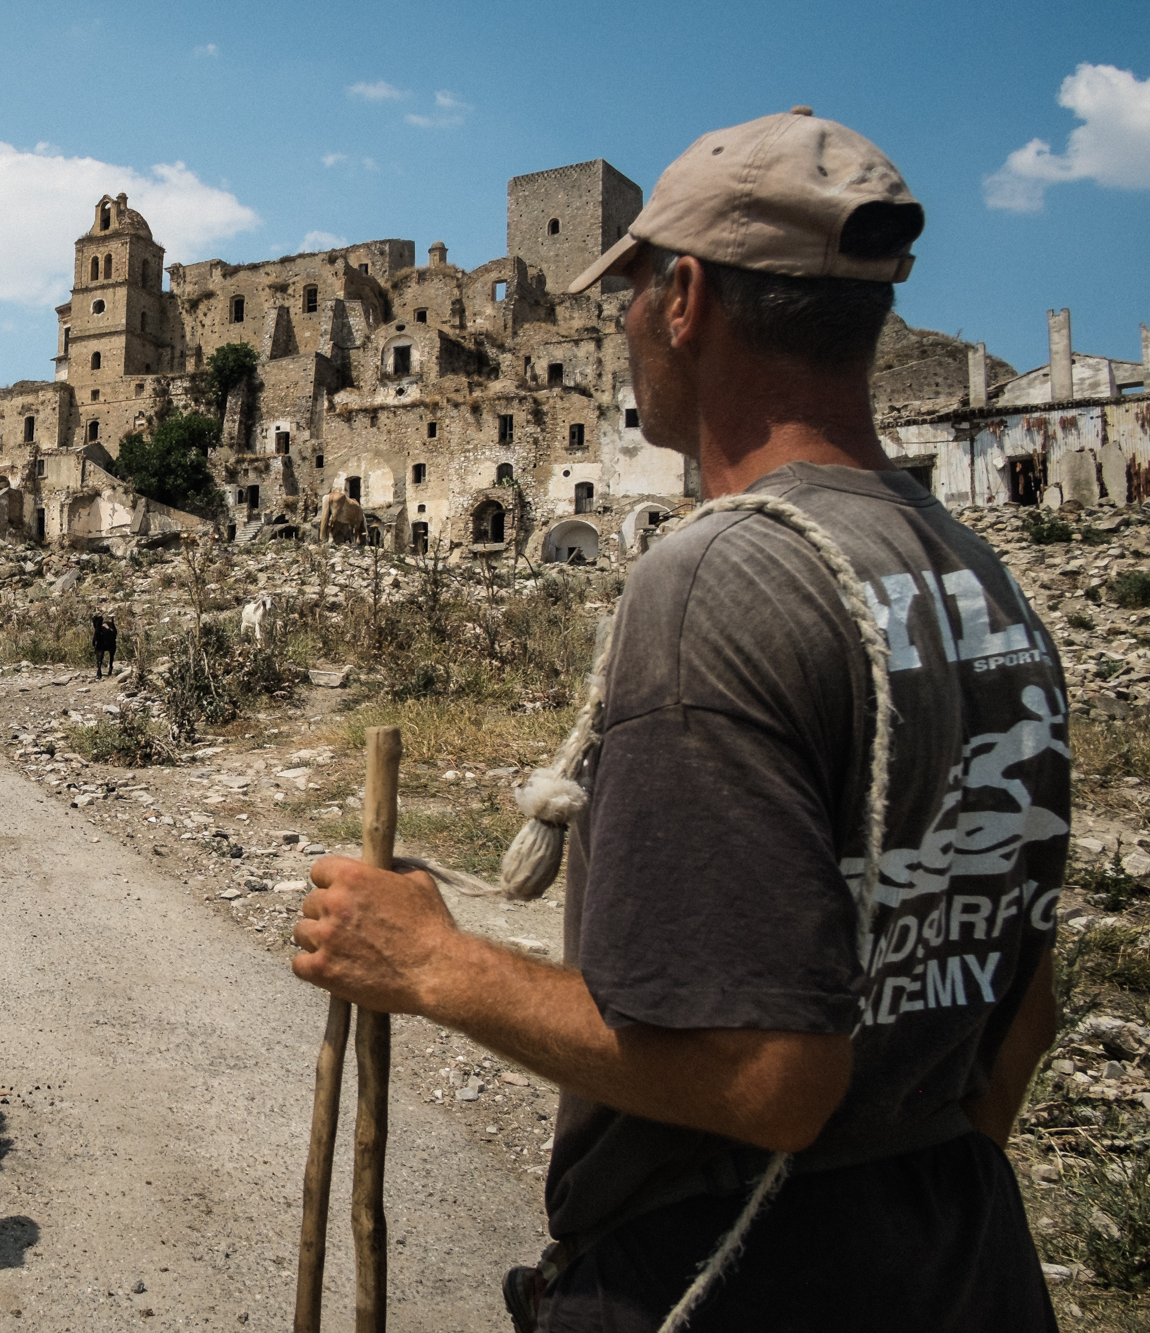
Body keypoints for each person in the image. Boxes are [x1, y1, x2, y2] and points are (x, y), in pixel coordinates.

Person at [293, 108, 1065, 1332]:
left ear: (685, 300)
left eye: (628, 294)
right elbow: (1023, 1009)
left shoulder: (715, 580)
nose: (619, 325)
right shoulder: (981, 580)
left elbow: (768, 1075)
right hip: (963, 1256)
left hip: (734, 1275)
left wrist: (429, 963)